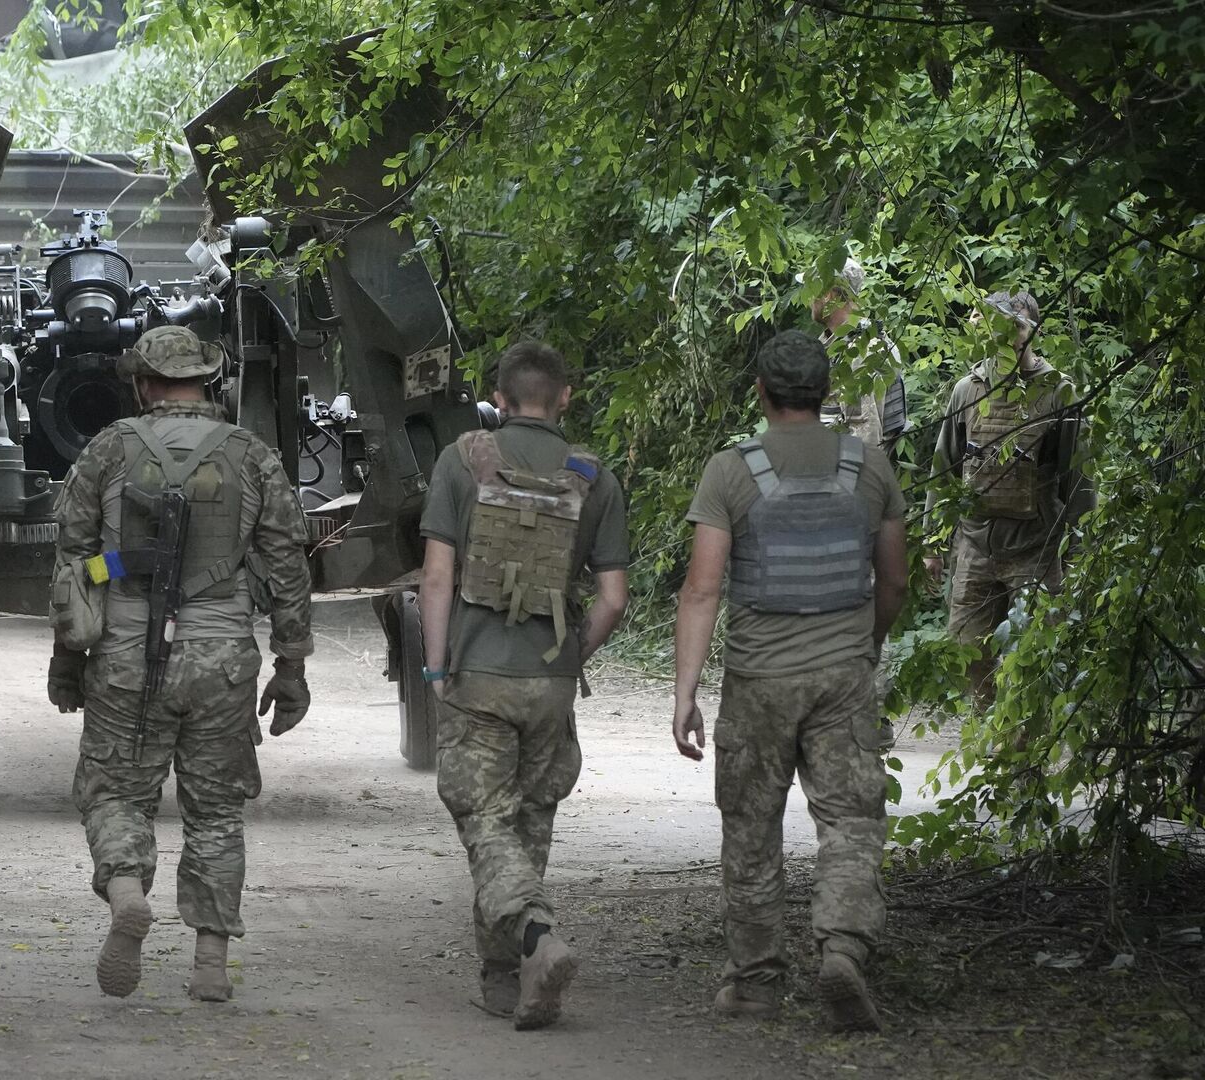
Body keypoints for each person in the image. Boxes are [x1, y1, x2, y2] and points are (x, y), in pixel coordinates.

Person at [46, 326, 314, 1003]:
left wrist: (68, 656)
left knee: (112, 793)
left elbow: (73, 564)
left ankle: (129, 891)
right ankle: (210, 965)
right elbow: (287, 566)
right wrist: (292, 664)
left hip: (128, 658)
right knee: (218, 812)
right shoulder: (253, 456)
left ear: (141, 383)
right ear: (208, 380)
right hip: (224, 660)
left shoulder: (108, 450)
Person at [672, 330, 909, 1032]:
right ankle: (841, 947)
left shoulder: (731, 471)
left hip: (759, 680)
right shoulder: (870, 467)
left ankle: (754, 983)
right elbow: (892, 579)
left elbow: (701, 591)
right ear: (826, 389)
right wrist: (863, 644)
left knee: (750, 829)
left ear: (762, 393)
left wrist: (685, 692)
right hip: (842, 676)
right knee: (850, 820)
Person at [416, 341, 630, 1031]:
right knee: (529, 822)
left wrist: (437, 665)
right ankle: (503, 978)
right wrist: (571, 654)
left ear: (498, 398)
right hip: (549, 679)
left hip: (478, 673)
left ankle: (534, 934)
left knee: (484, 821)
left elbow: (438, 576)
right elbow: (614, 598)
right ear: (564, 397)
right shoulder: (592, 475)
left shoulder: (463, 459)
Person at [925, 290, 1089, 714]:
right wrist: (932, 543)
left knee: (1034, 655)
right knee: (967, 650)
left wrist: (1080, 548)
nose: (1005, 333)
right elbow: (944, 468)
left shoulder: (1058, 393)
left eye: (1013, 324)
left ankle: (1023, 747)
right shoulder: (968, 390)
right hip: (975, 544)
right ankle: (989, 727)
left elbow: (1078, 477)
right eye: (995, 323)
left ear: (1030, 330)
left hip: (1035, 547)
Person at [811, 258, 908, 455]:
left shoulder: (863, 350)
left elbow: (866, 433)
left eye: (813, 289)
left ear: (829, 295)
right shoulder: (833, 346)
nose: (809, 298)